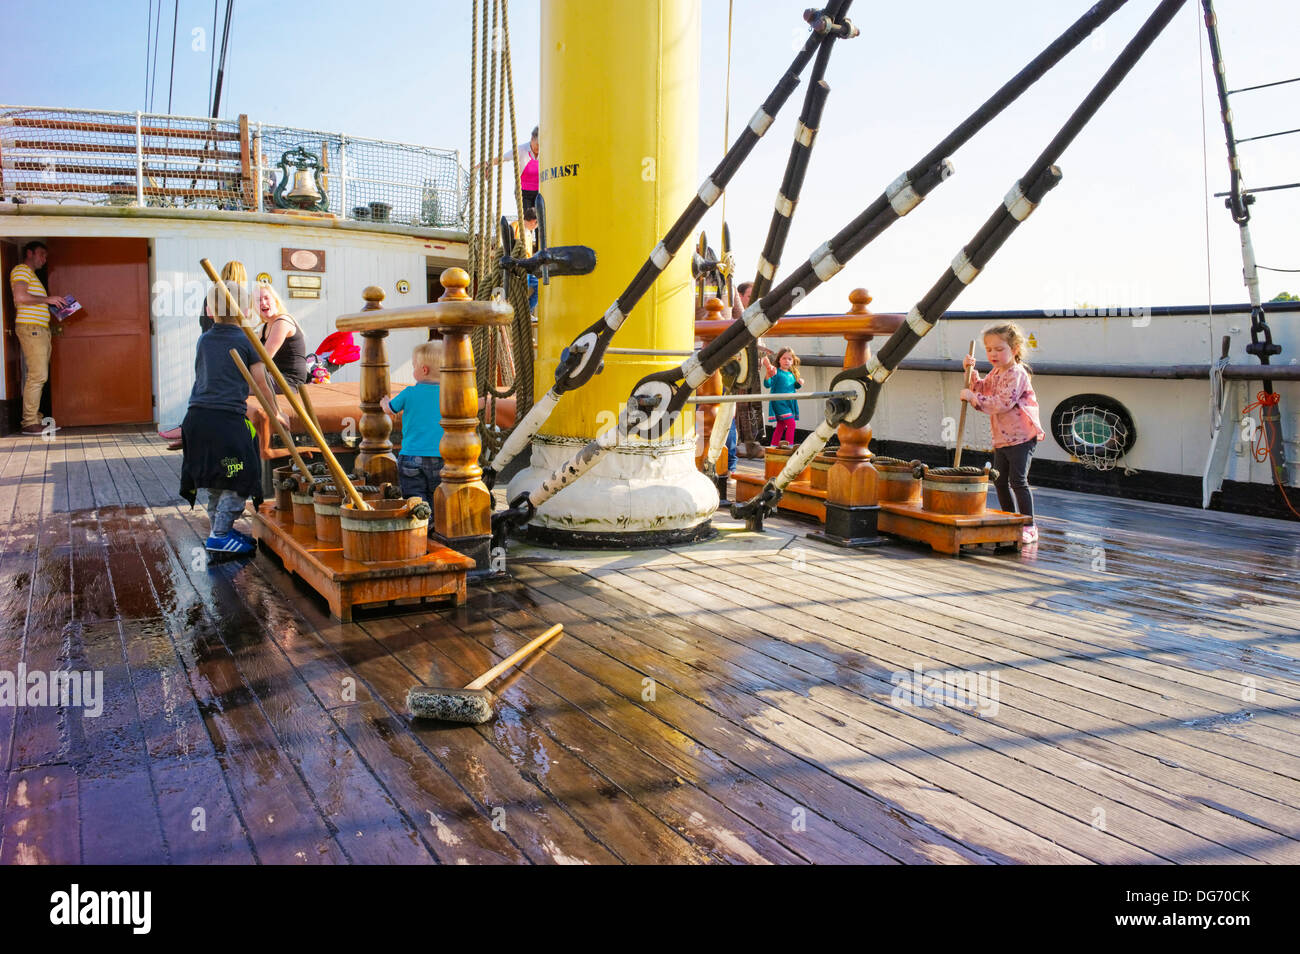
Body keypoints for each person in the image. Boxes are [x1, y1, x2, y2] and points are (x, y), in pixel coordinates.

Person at [179, 280, 279, 557]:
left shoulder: (204, 338)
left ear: (210, 310)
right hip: (226, 423)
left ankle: (217, 530)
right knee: (239, 474)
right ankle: (220, 536)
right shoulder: (246, 340)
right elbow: (261, 383)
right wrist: (276, 412)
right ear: (247, 309)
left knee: (215, 479)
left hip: (197, 419)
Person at [960, 321, 1046, 545]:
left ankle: (1028, 524)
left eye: (999, 349)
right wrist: (971, 372)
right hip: (1002, 438)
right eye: (989, 349)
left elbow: (1002, 403)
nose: (993, 354)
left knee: (1018, 481)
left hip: (1021, 438)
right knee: (999, 481)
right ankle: (1010, 518)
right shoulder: (996, 372)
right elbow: (983, 389)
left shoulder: (1016, 374)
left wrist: (972, 399)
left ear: (1015, 349)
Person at [9, 241, 71, 435]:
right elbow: (20, 297)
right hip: (32, 329)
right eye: (42, 254)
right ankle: (29, 423)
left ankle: (34, 419)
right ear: (29, 253)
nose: (44, 259)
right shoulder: (21, 270)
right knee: (38, 375)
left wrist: (54, 305)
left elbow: (29, 300)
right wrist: (48, 299)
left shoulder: (31, 275)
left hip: (39, 329)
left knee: (38, 375)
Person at [382, 339, 445, 504]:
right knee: (438, 497)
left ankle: (420, 525)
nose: (413, 369)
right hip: (442, 457)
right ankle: (435, 525)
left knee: (415, 497)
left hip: (412, 456)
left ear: (424, 370)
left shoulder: (409, 392)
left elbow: (390, 409)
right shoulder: (450, 395)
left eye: (413, 366)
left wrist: (384, 402)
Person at [255, 283, 308, 391]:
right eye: (258, 300)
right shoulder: (265, 327)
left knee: (238, 386)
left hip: (290, 381)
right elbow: (253, 353)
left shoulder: (282, 322)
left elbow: (264, 357)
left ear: (275, 300)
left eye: (266, 298)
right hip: (274, 378)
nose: (263, 303)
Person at [761, 347, 803, 447]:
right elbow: (767, 384)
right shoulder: (776, 372)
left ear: (793, 361)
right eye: (784, 358)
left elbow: (794, 386)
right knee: (791, 424)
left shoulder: (792, 374)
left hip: (789, 403)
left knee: (781, 425)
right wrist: (768, 375)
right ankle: (789, 446)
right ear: (779, 359)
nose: (786, 361)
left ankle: (773, 445)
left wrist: (799, 383)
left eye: (789, 359)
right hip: (779, 403)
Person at [511, 207, 540, 312]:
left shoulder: (529, 233)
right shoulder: (515, 227)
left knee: (540, 286)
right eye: (537, 224)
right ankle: (519, 313)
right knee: (521, 291)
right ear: (533, 221)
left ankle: (527, 310)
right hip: (519, 266)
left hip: (528, 266)